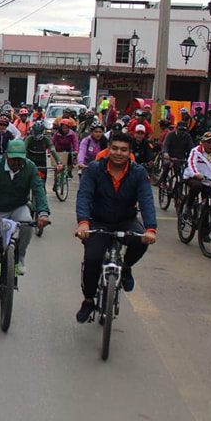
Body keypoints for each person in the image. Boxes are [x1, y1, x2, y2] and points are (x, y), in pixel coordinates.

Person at [74, 132, 158, 323]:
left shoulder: (137, 173)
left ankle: (127, 267)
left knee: (141, 241)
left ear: (129, 152)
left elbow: (146, 200)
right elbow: (84, 196)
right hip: (98, 221)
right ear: (108, 149)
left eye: (123, 150)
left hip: (125, 220)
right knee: (92, 258)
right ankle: (88, 300)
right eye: (115, 148)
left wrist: (151, 229)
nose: (118, 153)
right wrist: (84, 222)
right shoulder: (95, 169)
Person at [0, 138, 50, 288]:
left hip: (18, 207)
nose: (16, 163)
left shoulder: (30, 167)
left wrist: (43, 212)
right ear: (6, 155)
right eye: (13, 159)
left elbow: (39, 190)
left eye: (20, 159)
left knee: (27, 223)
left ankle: (20, 257)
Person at [24, 121, 62, 185]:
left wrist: (59, 162)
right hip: (29, 160)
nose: (37, 136)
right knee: (26, 181)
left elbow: (53, 150)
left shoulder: (46, 140)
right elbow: (23, 150)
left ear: (43, 132)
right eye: (35, 133)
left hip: (41, 162)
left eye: (39, 134)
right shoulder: (29, 139)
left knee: (42, 182)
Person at [157, 121, 194, 186]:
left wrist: (192, 157)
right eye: (180, 129)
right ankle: (164, 180)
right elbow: (165, 145)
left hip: (181, 157)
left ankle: (179, 188)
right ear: (176, 128)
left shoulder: (187, 136)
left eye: (184, 130)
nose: (182, 131)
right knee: (167, 165)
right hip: (169, 156)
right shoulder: (170, 135)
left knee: (182, 172)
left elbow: (191, 148)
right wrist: (165, 153)